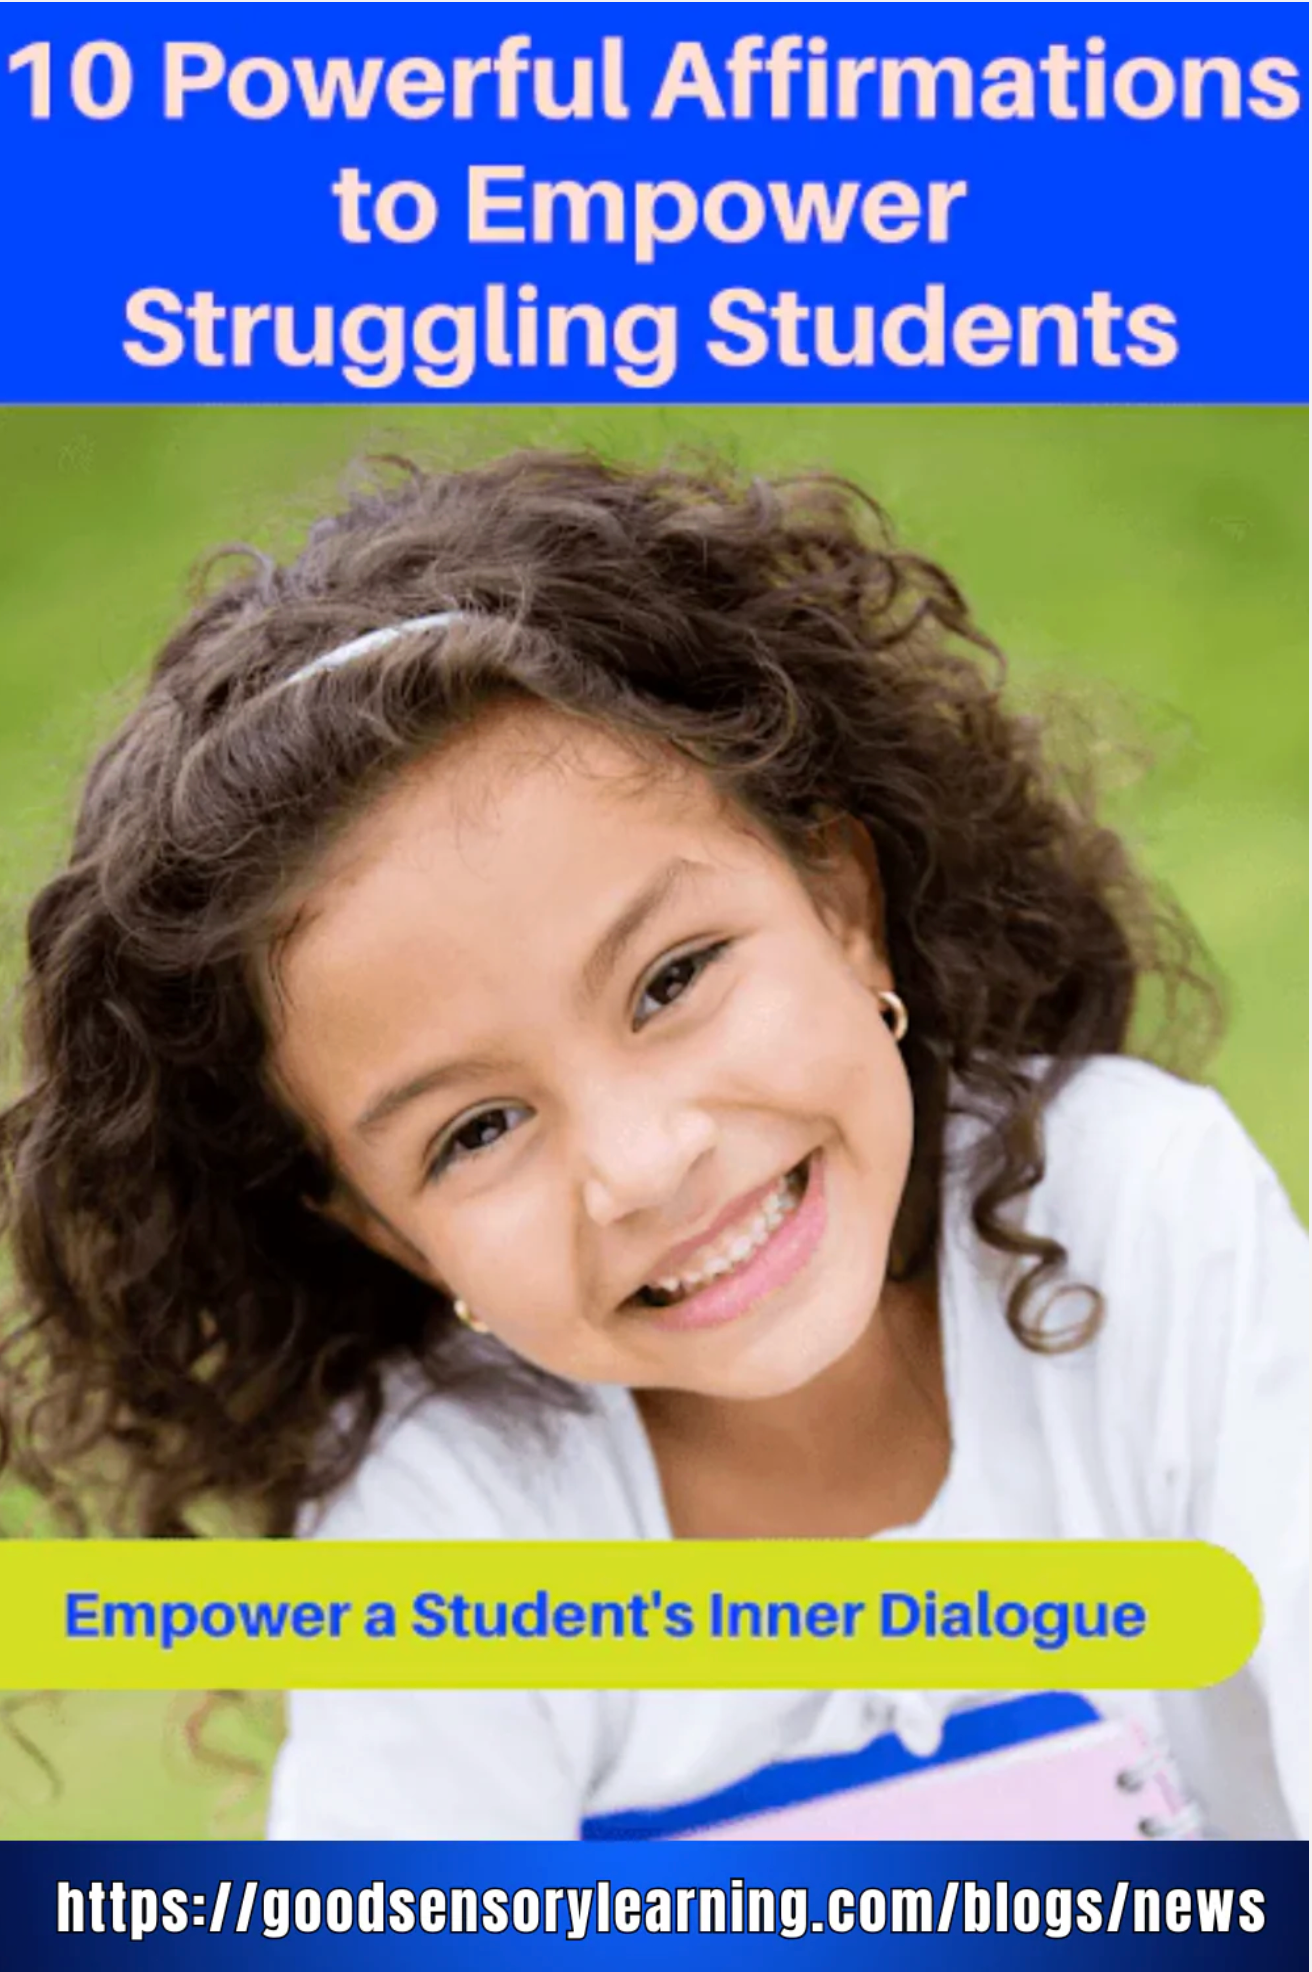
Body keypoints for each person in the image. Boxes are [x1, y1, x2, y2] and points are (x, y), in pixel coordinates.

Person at [0, 451, 1305, 1842]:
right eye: (479, 1130)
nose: (641, 1163)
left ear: (842, 903)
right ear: (384, 1227)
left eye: (671, 980)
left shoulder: (1142, 1216)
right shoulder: (456, 1526)